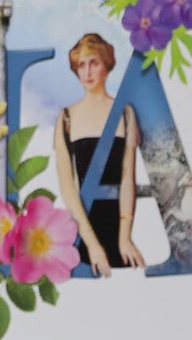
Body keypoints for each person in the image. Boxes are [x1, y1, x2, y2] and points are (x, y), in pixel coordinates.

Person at [52, 33, 145, 277]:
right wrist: (92, 245)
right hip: (83, 232)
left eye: (93, 63)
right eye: (81, 65)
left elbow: (127, 178)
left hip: (118, 229)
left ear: (106, 64)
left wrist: (125, 237)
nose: (87, 72)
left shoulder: (125, 112)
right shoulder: (66, 117)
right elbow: (68, 187)